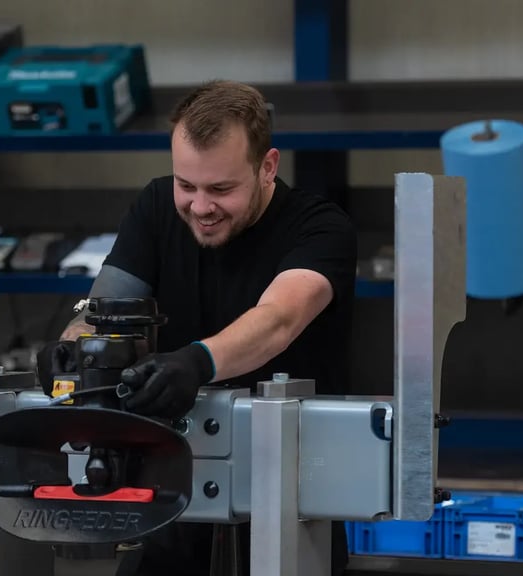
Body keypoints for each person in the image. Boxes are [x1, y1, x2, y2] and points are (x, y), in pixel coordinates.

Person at [36, 79, 357, 576]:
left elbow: (278, 319)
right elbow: (102, 312)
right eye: (187, 185)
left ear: (267, 166)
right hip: (172, 488)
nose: (200, 207)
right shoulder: (158, 207)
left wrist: (196, 362)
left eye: (221, 189)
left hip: (287, 493)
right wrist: (74, 349)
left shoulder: (320, 228)